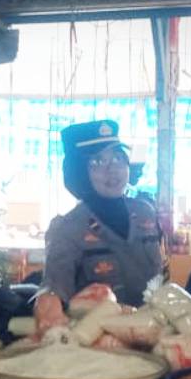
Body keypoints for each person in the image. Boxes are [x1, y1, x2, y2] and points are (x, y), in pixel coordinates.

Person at [38, 120, 164, 322]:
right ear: (79, 172)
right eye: (97, 162)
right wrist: (48, 310)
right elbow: (54, 293)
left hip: (155, 331)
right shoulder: (68, 229)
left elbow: (163, 281)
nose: (112, 170)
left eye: (117, 159)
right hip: (101, 341)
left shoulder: (145, 214)